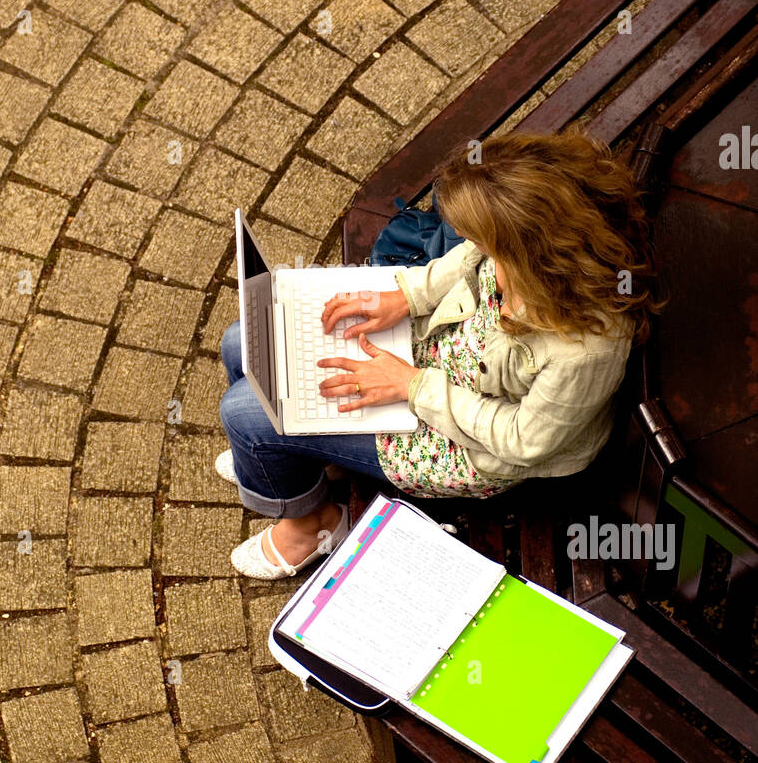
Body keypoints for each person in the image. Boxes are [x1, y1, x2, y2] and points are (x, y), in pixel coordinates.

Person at [219, 128, 663, 580]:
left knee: (247, 417)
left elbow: (522, 442)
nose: (485, 255)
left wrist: (411, 386)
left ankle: (314, 525)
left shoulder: (585, 349)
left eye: (494, 249)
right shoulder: (532, 242)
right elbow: (467, 259)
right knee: (242, 341)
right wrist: (405, 296)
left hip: (464, 442)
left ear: (533, 257)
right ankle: (298, 463)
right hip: (434, 355)